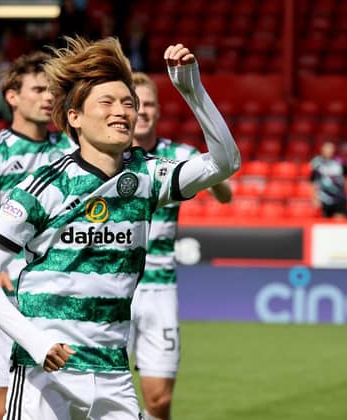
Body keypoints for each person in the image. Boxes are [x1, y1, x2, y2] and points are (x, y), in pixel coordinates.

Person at [0, 37, 239, 419]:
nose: (122, 112)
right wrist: (35, 342)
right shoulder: (43, 187)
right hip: (46, 372)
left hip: (112, 373)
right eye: (106, 103)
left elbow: (224, 163)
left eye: (129, 103)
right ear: (74, 117)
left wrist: (191, 88)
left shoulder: (147, 175)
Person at [0, 50, 77, 420]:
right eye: (39, 89)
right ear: (12, 96)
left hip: (58, 293)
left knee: (67, 402)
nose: (49, 98)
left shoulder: (71, 148)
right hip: (6, 296)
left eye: (52, 91)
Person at [129, 71, 232, 420]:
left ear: (158, 111)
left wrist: (214, 180)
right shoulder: (107, 157)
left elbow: (226, 192)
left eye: (149, 105)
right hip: (114, 286)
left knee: (158, 402)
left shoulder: (179, 154)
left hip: (160, 289)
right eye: (135, 104)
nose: (142, 111)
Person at [310, 141, 347, 218]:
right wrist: (314, 197)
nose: (328, 151)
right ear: (322, 150)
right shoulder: (317, 162)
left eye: (330, 148)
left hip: (340, 198)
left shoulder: (340, 161)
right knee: (325, 224)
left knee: (339, 222)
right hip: (323, 199)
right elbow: (313, 181)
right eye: (326, 149)